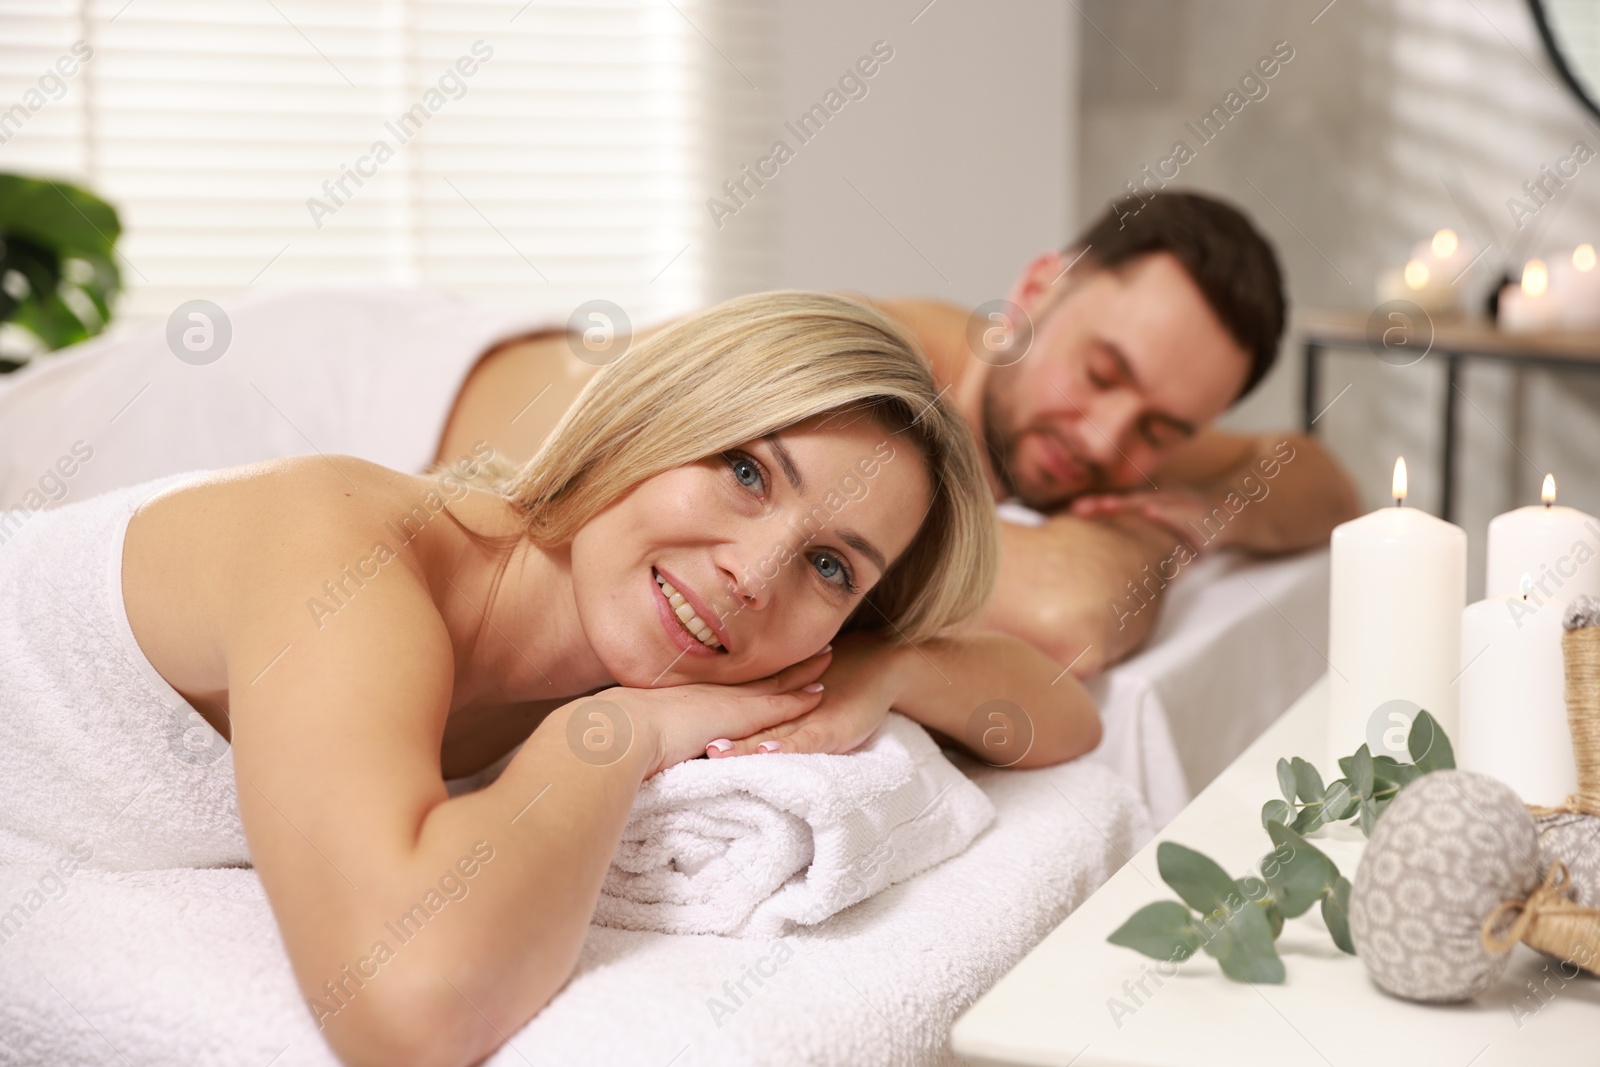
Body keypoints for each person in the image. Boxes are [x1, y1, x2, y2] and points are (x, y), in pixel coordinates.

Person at [0, 291, 1100, 1065]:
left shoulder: (701, 621)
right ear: (645, 421)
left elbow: (1063, 713)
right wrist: (613, 739)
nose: (754, 576)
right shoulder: (341, 548)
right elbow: (406, 1005)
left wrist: (896, 663)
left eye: (830, 564)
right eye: (745, 470)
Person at [0, 190, 1361, 677]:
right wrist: (1175, 516)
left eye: (1164, 425)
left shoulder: (1069, 431)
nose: (1107, 439)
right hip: (274, 396)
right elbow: (1063, 614)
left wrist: (1184, 485)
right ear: (1034, 291)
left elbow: (1326, 478)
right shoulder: (885, 391)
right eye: (1104, 372)